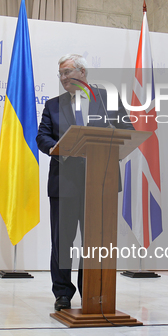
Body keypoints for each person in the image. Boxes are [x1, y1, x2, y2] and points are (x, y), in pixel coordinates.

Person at [36, 54, 134, 311]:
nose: (63, 78)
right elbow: (42, 136)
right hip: (64, 182)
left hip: (101, 182)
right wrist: (56, 148)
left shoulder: (108, 98)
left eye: (67, 72)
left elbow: (128, 129)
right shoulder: (53, 105)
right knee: (63, 241)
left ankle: (90, 290)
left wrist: (113, 134)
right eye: (60, 74)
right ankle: (63, 293)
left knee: (95, 242)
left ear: (82, 72)